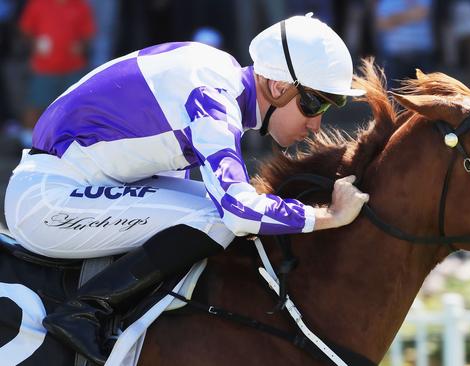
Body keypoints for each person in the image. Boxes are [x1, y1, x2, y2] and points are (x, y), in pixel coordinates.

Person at [3, 14, 369, 364]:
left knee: (205, 210)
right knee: (217, 217)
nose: (316, 124)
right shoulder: (214, 95)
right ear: (278, 86)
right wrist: (328, 215)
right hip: (46, 201)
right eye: (314, 103)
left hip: (70, 182)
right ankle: (86, 312)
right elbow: (237, 209)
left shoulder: (215, 75)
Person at [18, 0, 95, 147]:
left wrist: (81, 46)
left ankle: (76, 145)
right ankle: (27, 145)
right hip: (44, 67)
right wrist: (35, 43)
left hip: (73, 68)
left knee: (76, 109)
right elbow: (25, 30)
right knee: (35, 106)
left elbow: (88, 34)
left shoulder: (80, 5)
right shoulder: (38, 4)